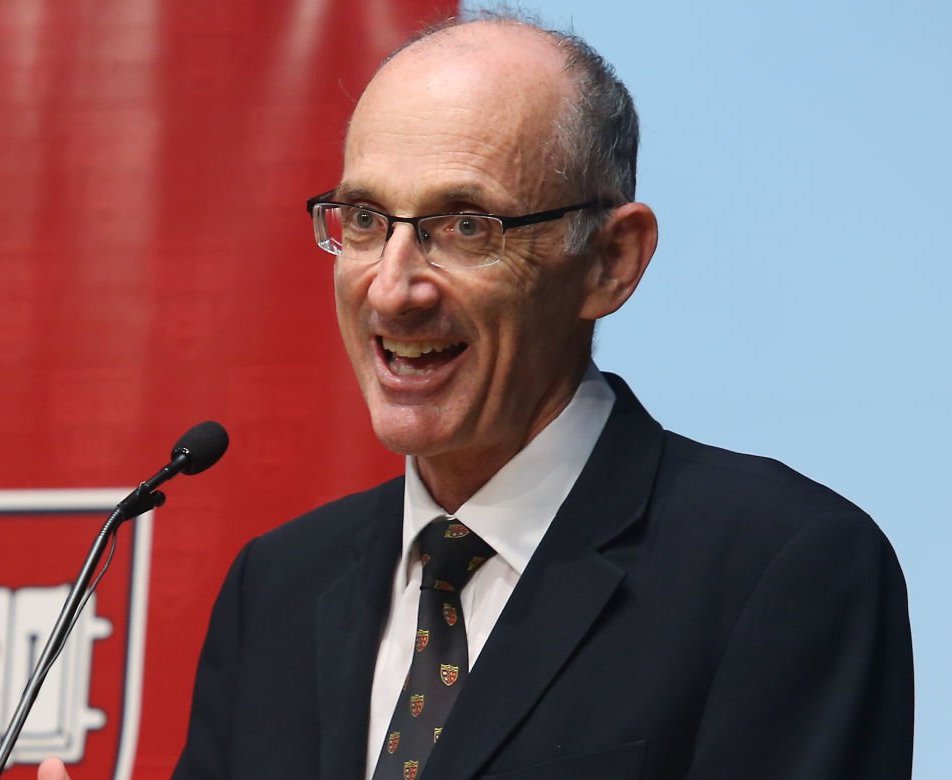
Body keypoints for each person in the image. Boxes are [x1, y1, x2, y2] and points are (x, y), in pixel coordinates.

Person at [38, 12, 914, 780]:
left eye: (466, 226)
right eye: (366, 220)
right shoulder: (278, 588)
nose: (392, 289)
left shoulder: (784, 569)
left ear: (612, 262)